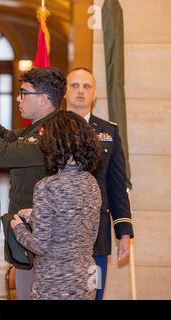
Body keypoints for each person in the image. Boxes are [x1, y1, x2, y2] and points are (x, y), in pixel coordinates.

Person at [0, 67, 67, 299]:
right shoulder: (39, 127)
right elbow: (6, 138)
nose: (18, 98)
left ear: (43, 98)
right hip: (30, 237)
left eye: (24, 93)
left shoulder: (52, 132)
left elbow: (0, 154)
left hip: (43, 242)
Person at [10, 110, 102, 300]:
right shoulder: (91, 182)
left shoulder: (47, 187)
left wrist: (18, 228)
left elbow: (40, 245)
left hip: (54, 281)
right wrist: (35, 215)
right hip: (87, 276)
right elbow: (84, 230)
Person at [65, 67, 134, 299]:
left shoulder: (109, 132)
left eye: (87, 86)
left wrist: (123, 231)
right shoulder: (49, 129)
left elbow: (116, 185)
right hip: (58, 234)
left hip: (98, 236)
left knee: (93, 293)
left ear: (94, 94)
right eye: (75, 85)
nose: (81, 91)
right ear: (65, 92)